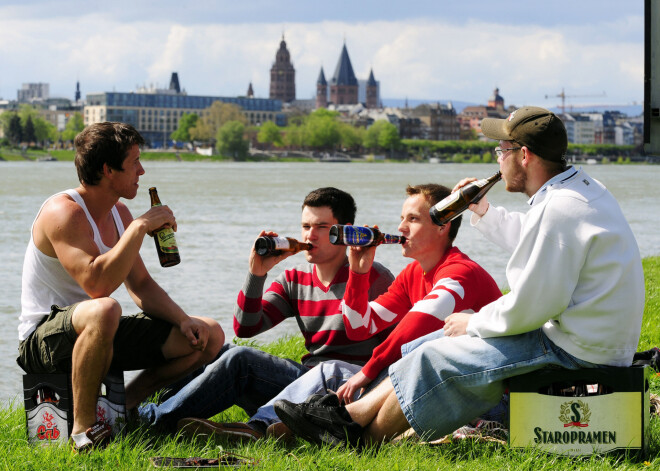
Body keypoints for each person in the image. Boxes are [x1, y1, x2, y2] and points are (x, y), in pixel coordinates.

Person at [274, 106, 645, 447]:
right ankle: (345, 425)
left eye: (501, 151)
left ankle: (357, 439)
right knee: (428, 345)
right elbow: (539, 241)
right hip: (587, 336)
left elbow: (533, 306)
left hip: (578, 350)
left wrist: (474, 322)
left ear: (525, 155)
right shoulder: (576, 191)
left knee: (434, 357)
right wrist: (483, 210)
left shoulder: (560, 210)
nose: (497, 161)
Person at [16, 122, 225, 451]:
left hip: (97, 329)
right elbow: (97, 284)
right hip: (44, 341)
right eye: (134, 163)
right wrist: (140, 227)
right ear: (108, 170)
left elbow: (139, 283)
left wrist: (184, 320)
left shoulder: (119, 213)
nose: (142, 171)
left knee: (209, 334)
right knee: (106, 308)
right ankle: (83, 433)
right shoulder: (63, 213)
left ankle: (121, 408)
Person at [238, 182, 502, 440]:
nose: (401, 228)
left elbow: (418, 323)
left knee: (333, 372)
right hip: (447, 384)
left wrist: (367, 372)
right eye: (401, 218)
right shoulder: (413, 273)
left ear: (442, 226)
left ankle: (260, 430)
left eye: (413, 219)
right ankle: (300, 428)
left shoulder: (459, 272)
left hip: (492, 395)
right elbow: (359, 327)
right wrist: (358, 272)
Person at [138, 187, 395, 438]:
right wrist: (257, 273)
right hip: (301, 383)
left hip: (346, 389)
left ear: (345, 232)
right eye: (306, 227)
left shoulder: (373, 277)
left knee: (241, 361)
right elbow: (246, 328)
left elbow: (399, 347)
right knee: (213, 349)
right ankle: (138, 409)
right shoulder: (295, 279)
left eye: (322, 228)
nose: (310, 236)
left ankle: (152, 423)